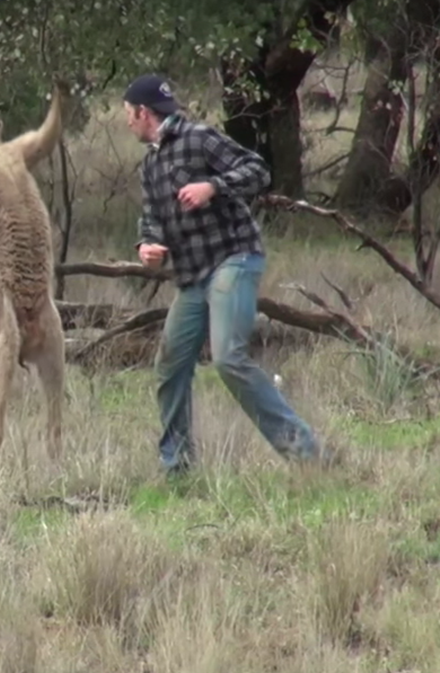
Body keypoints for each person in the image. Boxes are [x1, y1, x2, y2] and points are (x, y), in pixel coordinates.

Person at [121, 72, 330, 476]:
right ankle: (177, 468)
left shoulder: (199, 138)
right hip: (192, 277)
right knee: (170, 365)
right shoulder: (150, 166)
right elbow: (151, 222)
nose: (127, 122)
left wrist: (213, 186)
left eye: (129, 113)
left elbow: (258, 171)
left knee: (229, 357)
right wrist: (146, 247)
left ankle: (307, 456)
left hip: (233, 259)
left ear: (144, 112)